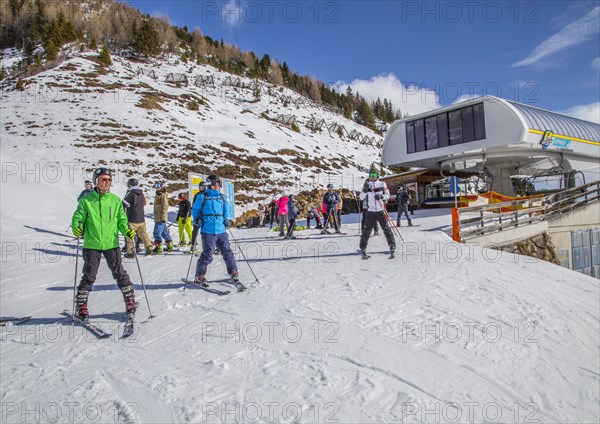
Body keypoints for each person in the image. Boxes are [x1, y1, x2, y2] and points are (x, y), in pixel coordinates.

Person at [71, 167, 137, 320]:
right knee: (89, 276)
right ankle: (81, 306)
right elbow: (78, 216)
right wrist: (77, 227)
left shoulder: (114, 200)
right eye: (104, 179)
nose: (107, 182)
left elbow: (121, 220)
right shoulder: (87, 200)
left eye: (109, 180)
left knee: (119, 273)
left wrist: (127, 230)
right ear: (96, 181)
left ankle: (130, 301)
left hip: (111, 243)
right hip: (92, 244)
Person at [191, 175, 239, 286]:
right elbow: (195, 210)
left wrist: (226, 220)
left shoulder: (221, 197)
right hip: (208, 230)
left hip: (221, 229)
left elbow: (225, 211)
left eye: (218, 183)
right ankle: (199, 275)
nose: (216, 186)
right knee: (208, 254)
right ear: (209, 185)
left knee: (227, 251)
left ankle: (233, 271)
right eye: (214, 183)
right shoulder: (202, 197)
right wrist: (197, 219)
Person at [358, 170, 396, 258]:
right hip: (370, 211)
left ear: (377, 176)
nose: (372, 176)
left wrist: (381, 196)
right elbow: (361, 197)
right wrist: (364, 188)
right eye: (371, 175)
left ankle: (392, 246)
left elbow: (388, 195)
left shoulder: (382, 184)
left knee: (386, 229)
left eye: (374, 174)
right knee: (367, 230)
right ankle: (363, 248)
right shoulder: (367, 184)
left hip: (380, 210)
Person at [122, 178, 153, 258]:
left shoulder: (131, 193)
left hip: (132, 218)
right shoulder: (141, 193)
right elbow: (144, 202)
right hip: (141, 218)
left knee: (130, 236)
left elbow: (124, 203)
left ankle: (131, 252)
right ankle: (149, 248)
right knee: (144, 234)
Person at [152, 182, 173, 253]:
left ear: (161, 186)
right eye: (156, 186)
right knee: (164, 233)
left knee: (157, 233)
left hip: (160, 217)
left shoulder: (163, 195)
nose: (157, 187)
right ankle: (169, 245)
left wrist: (163, 217)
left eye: (158, 186)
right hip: (158, 216)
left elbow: (165, 206)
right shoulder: (158, 194)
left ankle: (158, 248)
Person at [190, 182, 207, 253]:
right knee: (195, 230)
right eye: (200, 187)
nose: (201, 189)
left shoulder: (207, 195)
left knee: (207, 232)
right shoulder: (197, 195)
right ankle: (193, 245)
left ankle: (212, 246)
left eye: (202, 187)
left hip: (205, 215)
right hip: (198, 216)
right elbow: (194, 204)